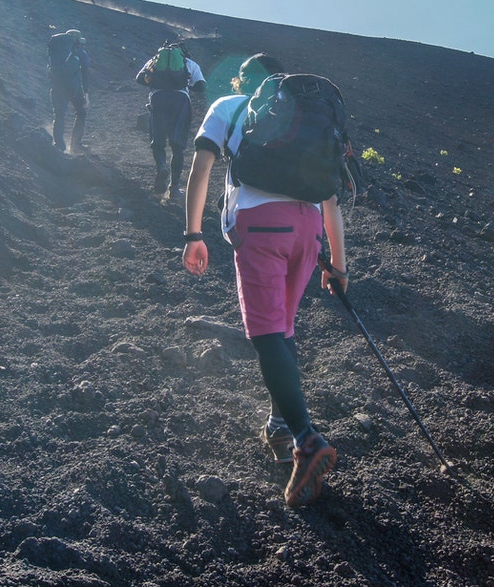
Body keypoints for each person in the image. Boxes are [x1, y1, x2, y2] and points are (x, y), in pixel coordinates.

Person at [182, 53, 348, 507]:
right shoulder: (302, 115)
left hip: (261, 225)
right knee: (284, 329)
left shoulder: (228, 107)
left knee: (267, 333)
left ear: (243, 81)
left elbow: (203, 168)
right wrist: (337, 262)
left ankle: (306, 439)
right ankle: (278, 425)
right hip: (308, 228)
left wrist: (193, 233)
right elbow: (330, 192)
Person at [136, 42, 206, 199]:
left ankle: (161, 166)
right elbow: (201, 86)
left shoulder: (155, 60)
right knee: (178, 146)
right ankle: (174, 188)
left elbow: (139, 79)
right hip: (180, 100)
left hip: (158, 98)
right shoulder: (189, 63)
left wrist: (156, 82)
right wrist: (186, 84)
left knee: (158, 141)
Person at [47, 28, 91, 153]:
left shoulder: (56, 53)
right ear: (77, 41)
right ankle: (76, 145)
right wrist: (86, 94)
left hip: (57, 88)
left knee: (59, 115)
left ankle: (59, 145)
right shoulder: (80, 53)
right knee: (81, 112)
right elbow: (85, 75)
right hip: (73, 90)